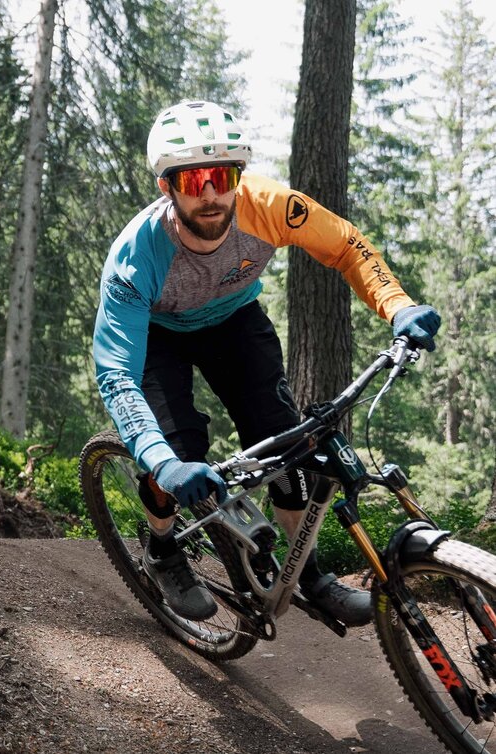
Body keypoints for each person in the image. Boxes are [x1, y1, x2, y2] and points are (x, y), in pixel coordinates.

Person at [92, 100, 441, 625]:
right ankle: (162, 549)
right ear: (167, 187)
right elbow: (118, 374)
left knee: (286, 443)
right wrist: (164, 463)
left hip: (234, 320)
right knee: (178, 450)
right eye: (193, 180)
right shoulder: (135, 258)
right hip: (159, 335)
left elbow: (346, 245)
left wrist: (398, 306)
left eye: (222, 176)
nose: (210, 194)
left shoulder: (270, 206)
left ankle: (309, 575)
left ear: (239, 177)